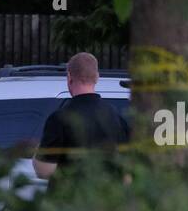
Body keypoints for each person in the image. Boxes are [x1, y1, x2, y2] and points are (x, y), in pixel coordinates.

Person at [33, 52, 130, 180]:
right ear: (97, 77)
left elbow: (44, 171)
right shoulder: (116, 117)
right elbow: (127, 174)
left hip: (70, 198)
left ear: (69, 77)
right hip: (106, 198)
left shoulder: (59, 119)